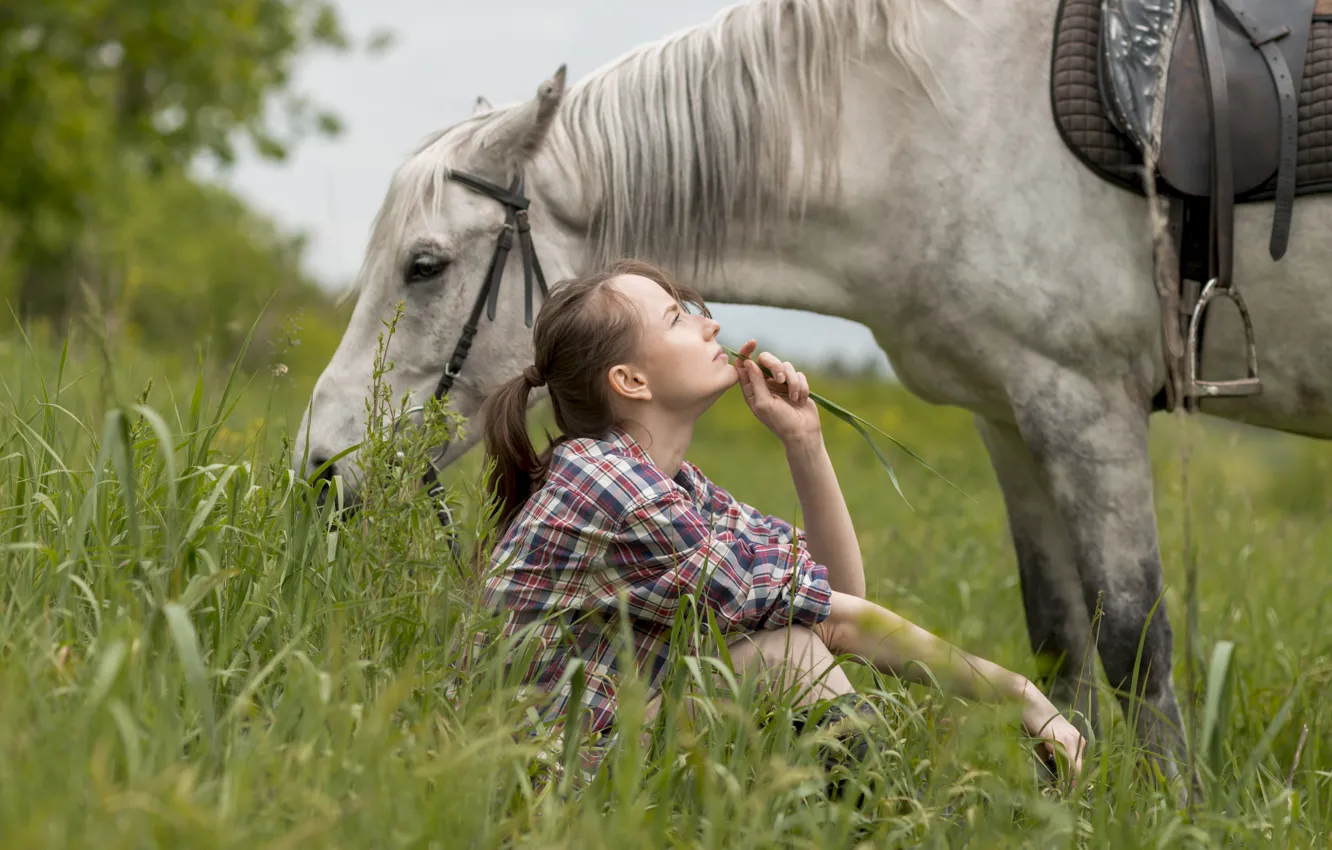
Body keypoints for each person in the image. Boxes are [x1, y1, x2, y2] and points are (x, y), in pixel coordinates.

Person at [476, 258, 1086, 783]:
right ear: (630, 381)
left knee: (789, 647)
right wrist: (1018, 693)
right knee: (786, 657)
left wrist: (804, 442)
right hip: (542, 779)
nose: (709, 322)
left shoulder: (674, 486)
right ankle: (892, 821)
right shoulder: (612, 488)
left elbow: (835, 595)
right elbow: (836, 621)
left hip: (600, 753)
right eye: (677, 318)